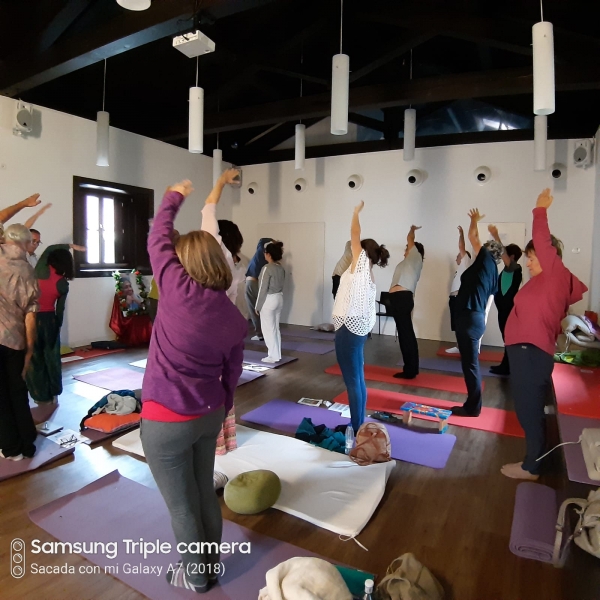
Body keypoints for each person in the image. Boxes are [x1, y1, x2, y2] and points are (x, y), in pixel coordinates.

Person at [140, 180, 247, 593]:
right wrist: (222, 407)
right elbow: (232, 375)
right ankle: (212, 565)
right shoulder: (234, 319)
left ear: (185, 262)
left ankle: (197, 576)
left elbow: (157, 236)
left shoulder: (175, 288)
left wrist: (173, 195)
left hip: (167, 419)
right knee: (204, 494)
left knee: (182, 505)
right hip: (209, 414)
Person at [501, 189, 587, 480]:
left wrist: (540, 210)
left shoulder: (554, 273)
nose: (527, 262)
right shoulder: (546, 282)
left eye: (531, 257)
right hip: (526, 353)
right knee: (529, 410)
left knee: (528, 412)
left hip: (530, 353)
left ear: (548, 256)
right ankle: (534, 460)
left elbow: (543, 241)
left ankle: (531, 467)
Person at [332, 201, 389, 433]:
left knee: (352, 381)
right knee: (358, 378)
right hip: (358, 330)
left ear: (362, 252)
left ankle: (356, 427)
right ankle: (359, 423)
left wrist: (355, 213)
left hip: (348, 329)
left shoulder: (361, 264)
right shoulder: (370, 274)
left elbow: (355, 234)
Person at [200, 168, 246, 455]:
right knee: (224, 384)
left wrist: (219, 182)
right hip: (227, 330)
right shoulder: (232, 264)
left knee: (206, 383)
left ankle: (209, 440)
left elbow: (208, 211)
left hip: (207, 328)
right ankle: (223, 441)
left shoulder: (215, 256)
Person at [450, 209, 502, 417]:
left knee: (470, 366)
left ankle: (473, 407)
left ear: (488, 252)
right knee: (468, 365)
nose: (480, 247)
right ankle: (472, 405)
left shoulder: (485, 261)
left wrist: (473, 220)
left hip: (470, 318)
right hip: (473, 318)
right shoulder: (491, 270)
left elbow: (473, 237)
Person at [26, 243, 85, 404]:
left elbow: (50, 248)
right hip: (50, 320)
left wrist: (70, 245)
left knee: (35, 358)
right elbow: (60, 310)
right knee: (52, 358)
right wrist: (56, 326)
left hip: (31, 318)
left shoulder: (39, 270)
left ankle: (40, 395)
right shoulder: (63, 284)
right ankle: (54, 392)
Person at [0, 223, 39, 460]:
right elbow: (30, 315)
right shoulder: (27, 271)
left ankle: (10, 448)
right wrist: (29, 349)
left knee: (1, 396)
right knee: (17, 391)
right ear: (23, 244)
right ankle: (27, 444)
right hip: (15, 339)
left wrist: (23, 205)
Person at [487, 226, 523, 375]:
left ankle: (507, 366)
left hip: (508, 309)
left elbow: (503, 255)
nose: (504, 256)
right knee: (506, 337)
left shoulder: (514, 268)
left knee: (508, 337)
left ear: (512, 256)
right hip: (504, 309)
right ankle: (507, 365)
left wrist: (495, 235)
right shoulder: (508, 270)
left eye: (507, 253)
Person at [390, 225, 424, 379]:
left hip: (402, 298)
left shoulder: (415, 257)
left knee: (405, 335)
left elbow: (410, 239)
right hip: (398, 299)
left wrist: (411, 229)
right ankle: (411, 368)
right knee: (406, 334)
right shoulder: (409, 262)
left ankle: (409, 370)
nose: (405, 251)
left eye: (407, 249)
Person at [256, 241, 285, 363]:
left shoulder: (267, 268)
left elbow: (262, 288)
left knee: (268, 329)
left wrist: (257, 306)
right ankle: (277, 355)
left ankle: (272, 356)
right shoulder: (281, 268)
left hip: (269, 300)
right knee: (275, 328)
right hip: (279, 298)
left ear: (268, 254)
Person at [246, 237, 274, 341]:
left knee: (254, 309)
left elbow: (261, 240)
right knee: (260, 310)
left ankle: (259, 334)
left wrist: (272, 239)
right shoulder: (267, 261)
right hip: (257, 284)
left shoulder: (259, 254)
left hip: (251, 283)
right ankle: (264, 332)